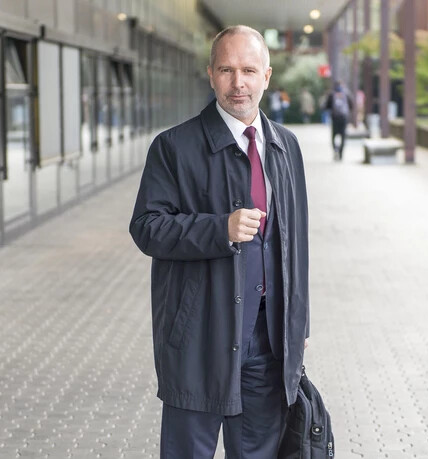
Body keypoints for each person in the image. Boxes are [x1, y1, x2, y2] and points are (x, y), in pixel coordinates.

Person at [129, 25, 310, 458]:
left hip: (269, 341)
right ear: (210, 75)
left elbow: (297, 241)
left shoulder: (287, 146)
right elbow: (147, 227)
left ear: (267, 76)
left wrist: (299, 320)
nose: (238, 82)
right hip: (198, 337)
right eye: (226, 70)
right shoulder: (173, 147)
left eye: (248, 70)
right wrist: (220, 229)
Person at [324, 80, 354, 161]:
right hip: (343, 118)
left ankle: (335, 149)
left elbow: (326, 106)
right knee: (343, 136)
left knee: (334, 136)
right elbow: (351, 105)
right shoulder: (346, 94)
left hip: (335, 118)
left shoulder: (331, 94)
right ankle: (341, 153)